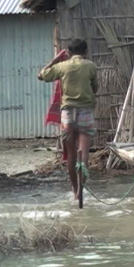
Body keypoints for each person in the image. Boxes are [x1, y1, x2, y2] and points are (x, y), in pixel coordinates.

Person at [38, 39, 98, 201]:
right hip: (85, 111)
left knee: (71, 154)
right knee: (84, 152)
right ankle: (82, 187)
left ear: (69, 53)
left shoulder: (62, 66)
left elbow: (41, 75)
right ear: (85, 52)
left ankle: (75, 190)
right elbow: (95, 88)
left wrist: (56, 60)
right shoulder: (90, 66)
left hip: (68, 114)